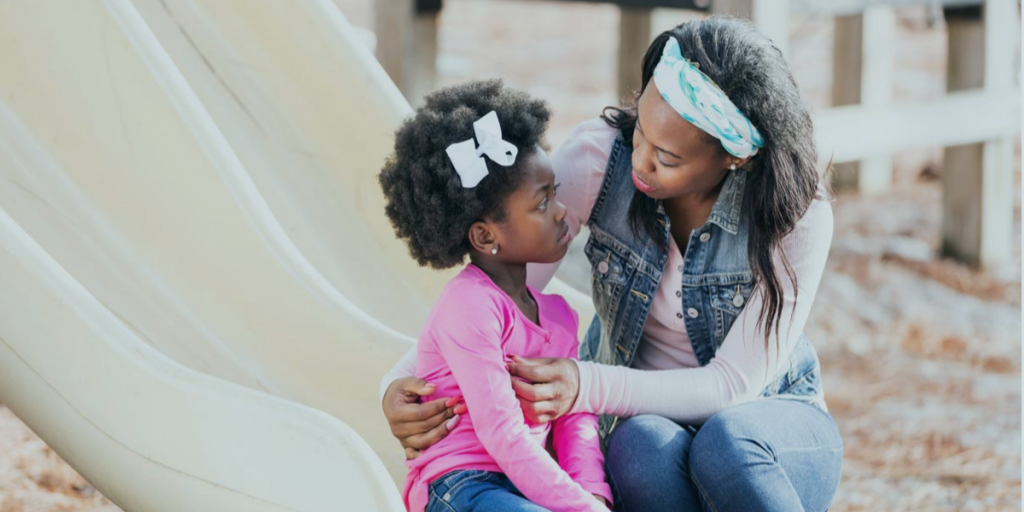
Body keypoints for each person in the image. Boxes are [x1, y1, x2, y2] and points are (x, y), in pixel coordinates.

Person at [382, 17, 845, 512]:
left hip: (767, 426)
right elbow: (496, 293)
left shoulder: (796, 214)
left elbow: (733, 386)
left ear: (734, 158)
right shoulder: (600, 158)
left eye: (666, 158)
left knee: (726, 443)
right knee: (637, 446)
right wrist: (395, 386)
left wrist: (584, 384)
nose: (639, 162)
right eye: (641, 130)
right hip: (647, 422)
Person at [378, 80, 613, 512]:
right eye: (542, 203)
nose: (562, 212)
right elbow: (500, 429)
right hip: (461, 485)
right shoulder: (469, 305)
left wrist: (594, 494)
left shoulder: (559, 317)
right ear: (486, 236)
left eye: (556, 193)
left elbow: (574, 419)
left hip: (525, 485)